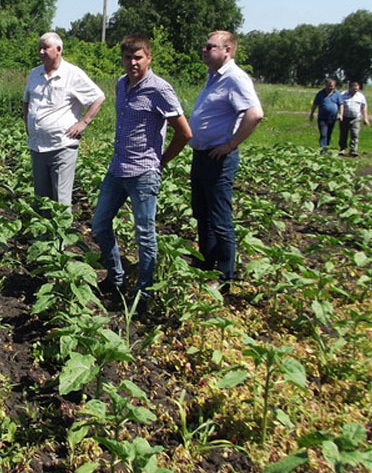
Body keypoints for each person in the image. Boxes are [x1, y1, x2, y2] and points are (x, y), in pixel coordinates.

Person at [91, 35, 192, 308]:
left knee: (144, 235)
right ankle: (117, 277)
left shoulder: (160, 89)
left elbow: (184, 133)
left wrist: (161, 161)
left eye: (138, 57)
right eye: (128, 57)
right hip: (117, 169)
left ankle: (144, 293)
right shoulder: (121, 85)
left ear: (149, 58)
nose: (133, 62)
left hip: (144, 173)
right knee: (100, 223)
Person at [188, 31, 264, 291]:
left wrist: (231, 144)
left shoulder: (235, 78)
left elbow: (254, 114)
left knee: (219, 217)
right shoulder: (214, 77)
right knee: (202, 213)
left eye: (210, 46)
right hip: (202, 155)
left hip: (218, 158)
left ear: (228, 50)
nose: (204, 49)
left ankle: (224, 277)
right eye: (205, 45)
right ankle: (206, 264)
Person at [23, 32, 105, 206]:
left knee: (60, 200)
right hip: (37, 146)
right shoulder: (35, 73)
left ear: (58, 49)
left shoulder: (72, 74)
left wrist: (83, 122)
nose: (41, 52)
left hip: (61, 146)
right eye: (39, 48)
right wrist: (29, 126)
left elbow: (98, 97)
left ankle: (61, 232)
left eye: (45, 48)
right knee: (42, 198)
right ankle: (43, 233)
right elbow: (26, 101)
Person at [309, 78, 345, 154]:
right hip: (322, 118)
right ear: (325, 85)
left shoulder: (337, 94)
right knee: (323, 134)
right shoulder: (320, 94)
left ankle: (326, 148)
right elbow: (315, 104)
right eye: (328, 86)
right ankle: (322, 150)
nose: (330, 88)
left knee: (329, 134)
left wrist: (341, 114)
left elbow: (341, 105)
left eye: (332, 86)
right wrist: (312, 114)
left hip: (333, 118)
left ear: (334, 86)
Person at [338, 80, 369, 157]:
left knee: (355, 134)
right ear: (350, 87)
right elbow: (339, 105)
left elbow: (364, 107)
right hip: (344, 117)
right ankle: (342, 148)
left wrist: (365, 118)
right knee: (343, 134)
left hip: (356, 118)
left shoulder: (361, 96)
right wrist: (339, 114)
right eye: (354, 87)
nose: (355, 89)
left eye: (357, 87)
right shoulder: (343, 94)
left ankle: (353, 150)